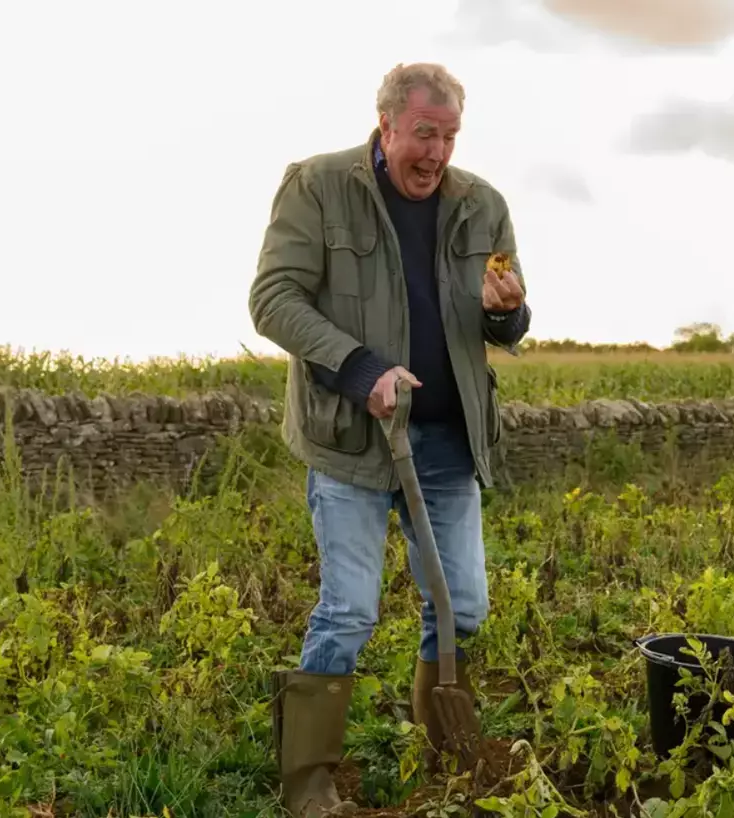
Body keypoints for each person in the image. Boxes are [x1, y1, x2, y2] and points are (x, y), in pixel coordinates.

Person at [248, 62, 530, 817]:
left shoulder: (482, 205)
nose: (435, 154)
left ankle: (446, 746)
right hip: (350, 438)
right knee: (350, 610)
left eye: (448, 136)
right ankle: (307, 779)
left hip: (446, 439)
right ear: (387, 128)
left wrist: (508, 314)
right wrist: (357, 366)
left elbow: (503, 320)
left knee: (462, 604)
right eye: (423, 134)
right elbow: (272, 299)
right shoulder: (318, 186)